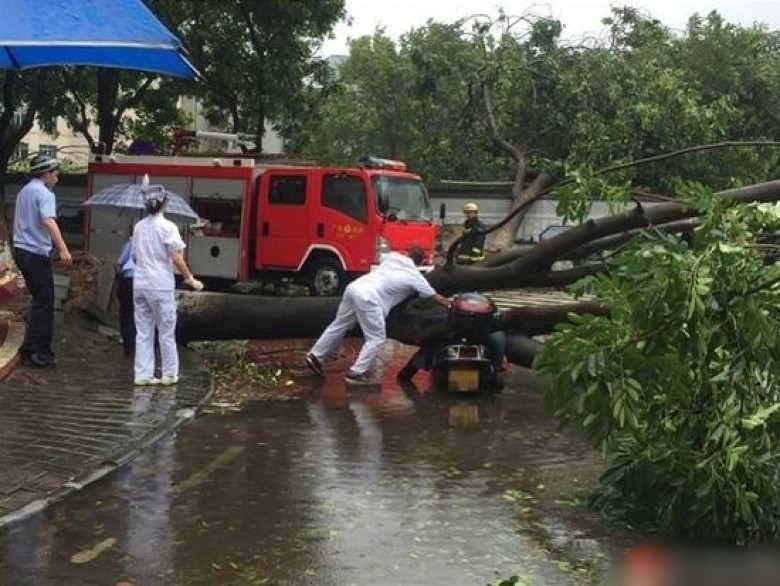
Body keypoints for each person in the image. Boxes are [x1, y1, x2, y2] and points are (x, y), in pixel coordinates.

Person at [305, 243, 450, 384]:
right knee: (376, 338)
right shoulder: (415, 277)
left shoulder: (391, 258)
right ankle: (356, 373)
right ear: (419, 262)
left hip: (354, 288)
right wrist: (452, 305)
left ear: (407, 254)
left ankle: (316, 355)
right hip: (370, 298)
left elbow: (382, 257)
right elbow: (435, 297)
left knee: (340, 324)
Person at [132, 185, 203, 386]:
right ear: (163, 204)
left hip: (140, 284)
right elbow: (176, 257)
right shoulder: (168, 227)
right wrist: (190, 279)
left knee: (144, 331)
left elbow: (135, 257)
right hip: (160, 285)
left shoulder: (138, 227)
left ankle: (143, 375)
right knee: (165, 331)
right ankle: (169, 374)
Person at [12, 154, 73, 368]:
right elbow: (48, 221)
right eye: (55, 172)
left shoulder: (24, 192)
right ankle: (32, 350)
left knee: (42, 300)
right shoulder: (45, 194)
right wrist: (63, 249)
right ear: (45, 173)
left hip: (21, 250)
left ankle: (43, 348)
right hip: (35, 252)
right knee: (44, 302)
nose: (57, 176)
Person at [115, 234, 136, 357]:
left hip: (129, 279)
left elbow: (119, 264)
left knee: (127, 314)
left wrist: (119, 278)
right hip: (149, 282)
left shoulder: (132, 242)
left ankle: (129, 348)